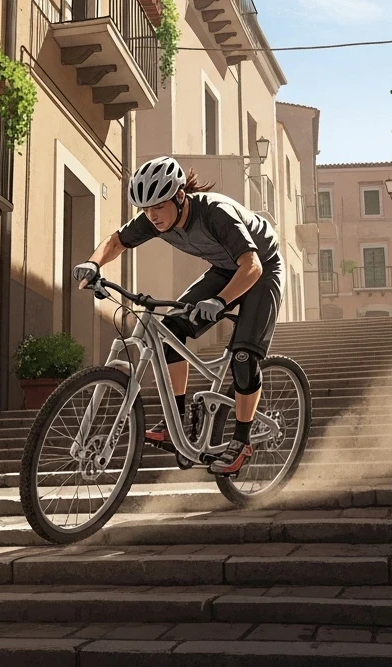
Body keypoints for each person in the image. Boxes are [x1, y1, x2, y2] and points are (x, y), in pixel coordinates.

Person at [71, 155, 283, 475]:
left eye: (158, 206)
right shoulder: (154, 219)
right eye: (146, 209)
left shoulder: (216, 213)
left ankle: (242, 441)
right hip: (226, 269)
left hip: (262, 268)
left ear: (179, 197)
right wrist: (94, 264)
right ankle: (178, 423)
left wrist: (219, 301)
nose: (152, 216)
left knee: (242, 356)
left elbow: (251, 266)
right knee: (171, 327)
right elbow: (116, 241)